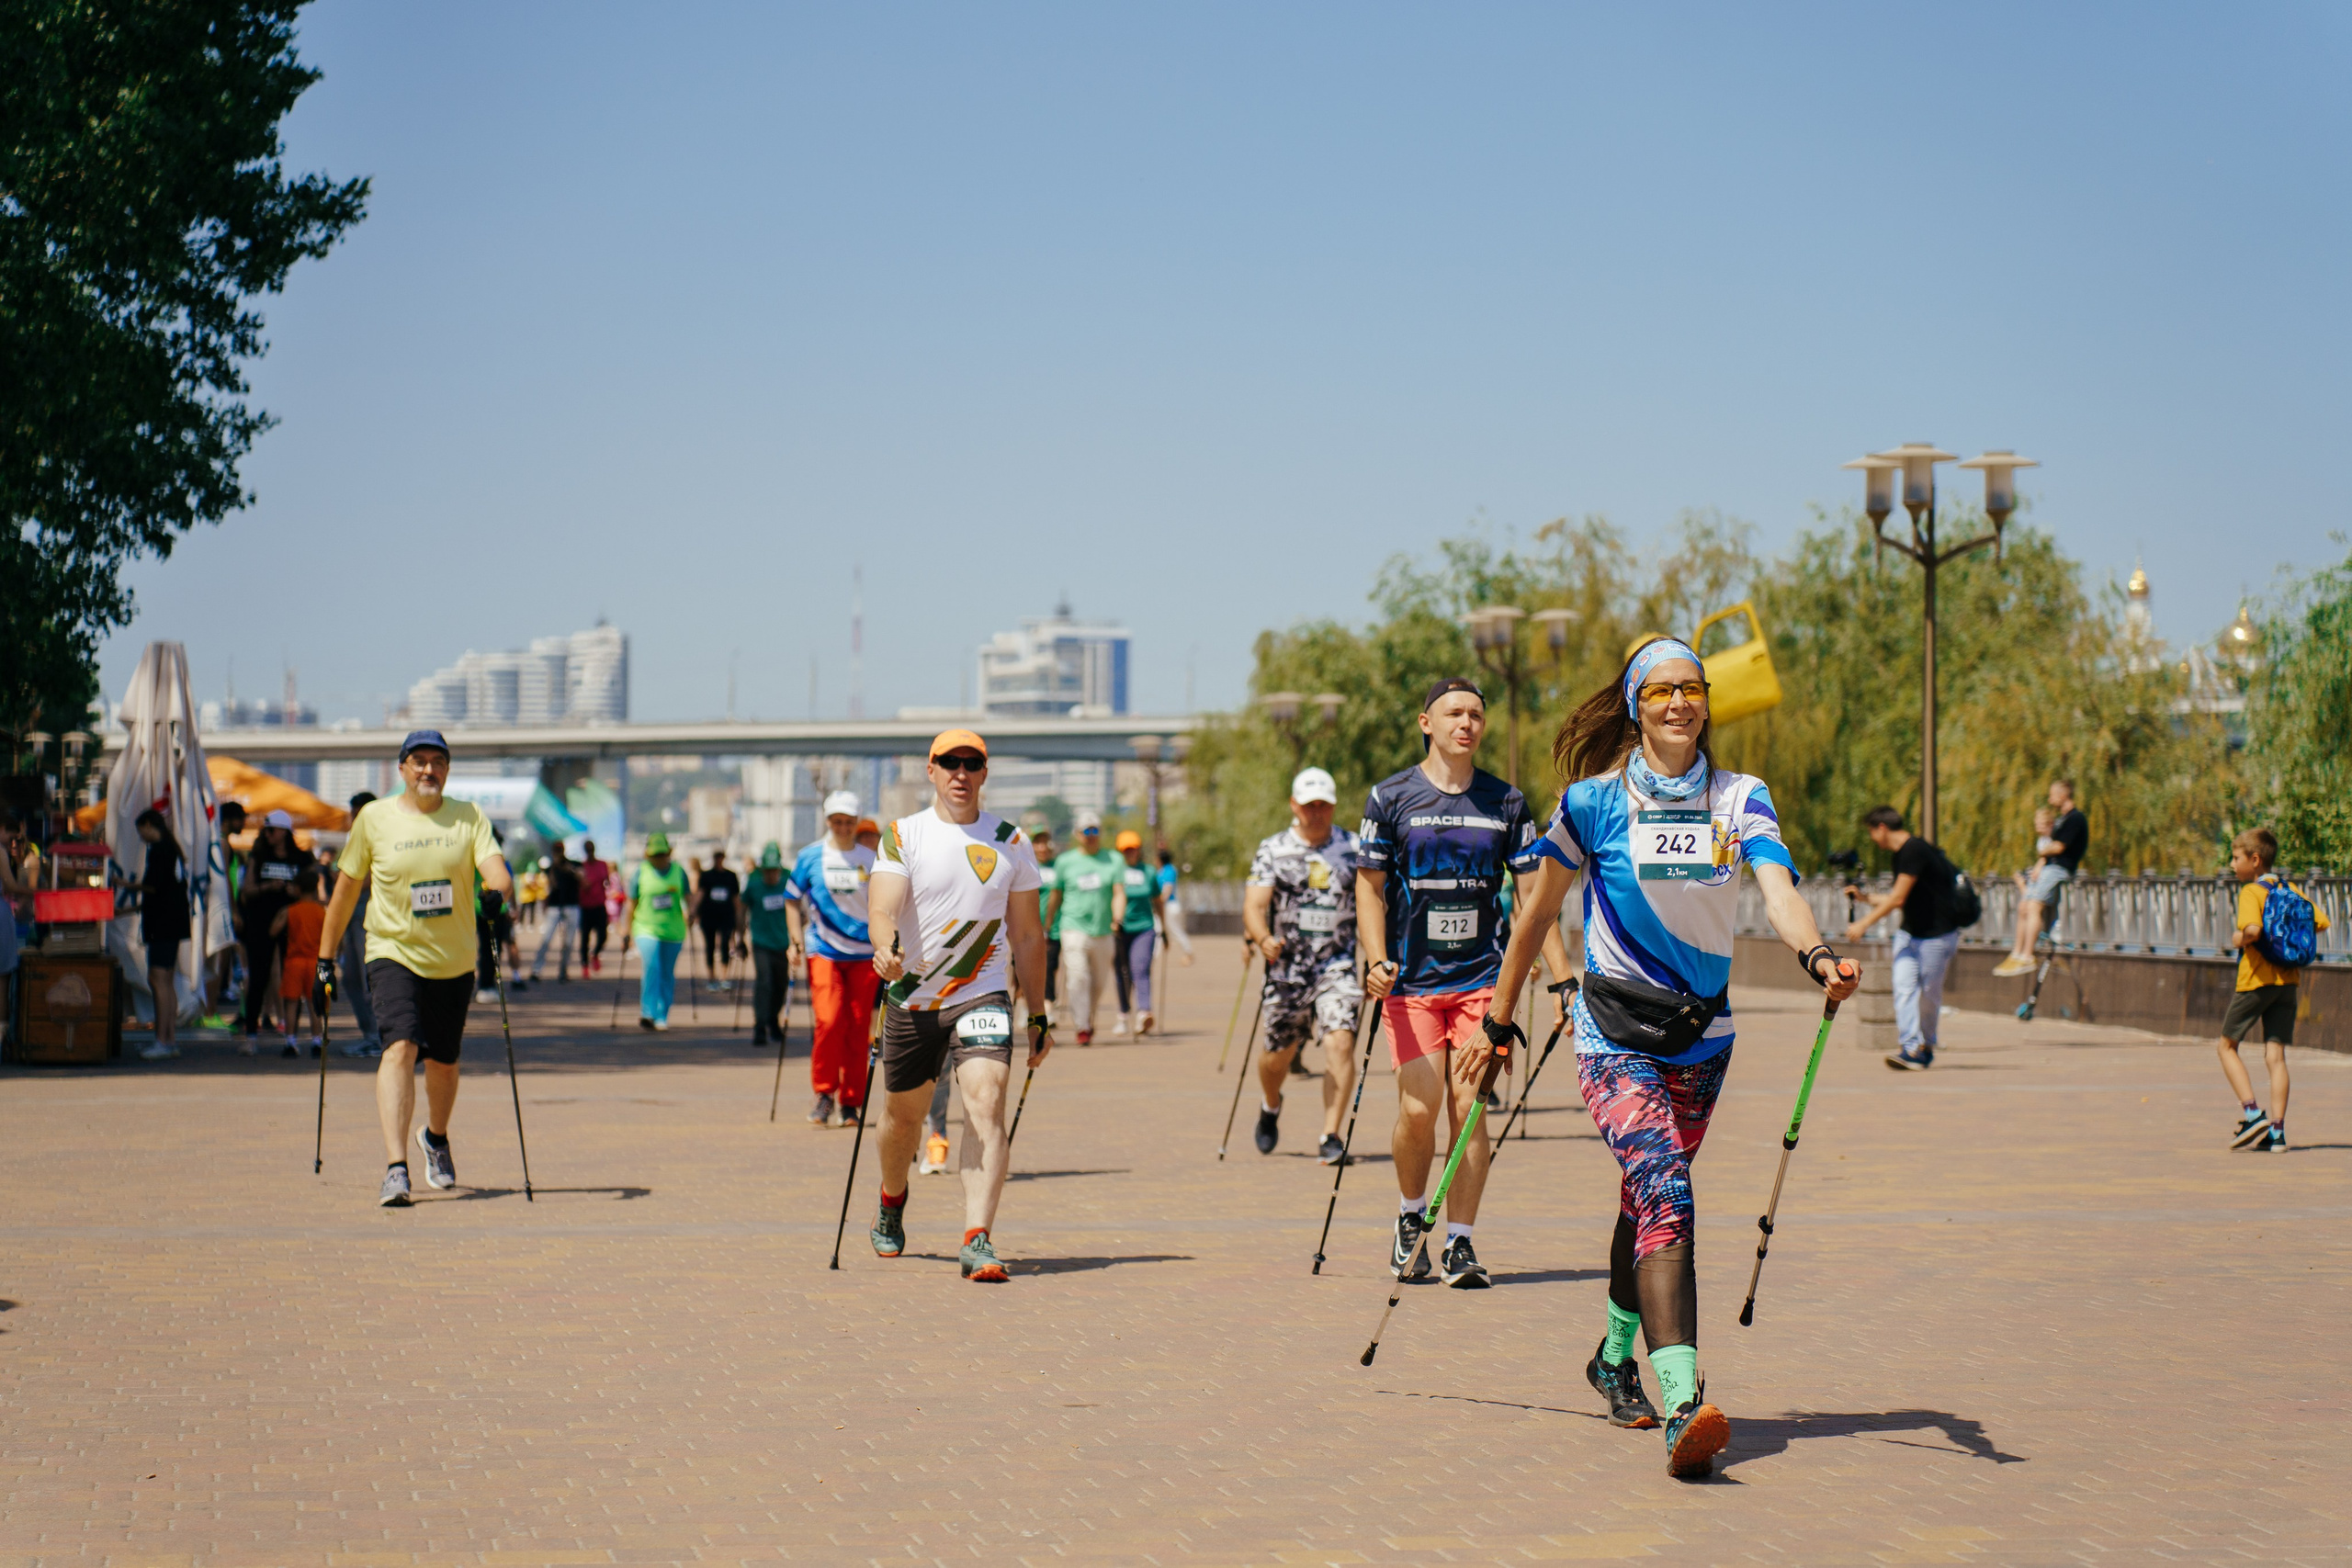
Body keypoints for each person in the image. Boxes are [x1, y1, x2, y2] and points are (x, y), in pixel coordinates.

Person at [1465, 637, 1859, 1478]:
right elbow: (1536, 917)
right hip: (1612, 1032)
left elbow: (1778, 889)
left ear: (1707, 700)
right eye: (1660, 691)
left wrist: (1818, 954)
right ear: (1635, 704)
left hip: (1702, 1040)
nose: (1679, 703)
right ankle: (1684, 1405)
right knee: (1667, 1189)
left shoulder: (1741, 797)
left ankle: (1612, 1359)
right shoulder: (1592, 803)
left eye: (1692, 688)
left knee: (1647, 1199)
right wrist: (1496, 1022)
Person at [1358, 678, 1575, 1292]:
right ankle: (1410, 1215)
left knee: (1469, 1108)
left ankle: (1459, 1241)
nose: (1467, 723)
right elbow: (1369, 888)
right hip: (1412, 982)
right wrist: (1375, 958)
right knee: (1418, 1109)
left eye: (1477, 714)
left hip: (1484, 981)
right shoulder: (1390, 797)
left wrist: (1563, 980)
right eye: (1454, 712)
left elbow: (1535, 899)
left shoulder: (1505, 801)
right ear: (1426, 722)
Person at [865, 729, 1052, 1282]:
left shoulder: (1010, 841)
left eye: (972, 763)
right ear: (931, 770)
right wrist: (885, 948)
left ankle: (978, 1238)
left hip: (981, 993)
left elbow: (1028, 935)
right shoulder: (904, 835)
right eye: (950, 763)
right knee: (903, 1119)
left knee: (986, 1101)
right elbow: (883, 909)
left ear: (985, 773)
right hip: (913, 997)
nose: (961, 773)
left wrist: (1037, 1014)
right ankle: (892, 1197)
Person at [318, 730, 513, 1208]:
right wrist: (325, 957)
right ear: (402, 768)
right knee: (399, 1048)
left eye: (438, 762)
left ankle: (436, 1137)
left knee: (444, 1062)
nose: (429, 769)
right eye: (419, 761)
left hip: (452, 960)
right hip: (392, 951)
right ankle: (396, 1167)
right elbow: (345, 891)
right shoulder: (374, 818)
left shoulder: (468, 817)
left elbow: (498, 872)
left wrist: (496, 893)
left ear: (447, 770)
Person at [1243, 767, 1363, 1164]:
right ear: (1294, 805)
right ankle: (1271, 1103)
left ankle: (1331, 1134)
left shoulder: (1354, 848)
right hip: (1288, 967)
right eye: (1310, 805)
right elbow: (1254, 905)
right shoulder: (1273, 849)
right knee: (1278, 1054)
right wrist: (1262, 938)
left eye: (1324, 805)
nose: (1317, 812)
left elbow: (1373, 901)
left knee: (1340, 1041)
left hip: (1337, 964)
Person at [2216, 828, 2330, 1153]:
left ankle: (2253, 1114)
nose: (2232, 864)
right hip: (2288, 982)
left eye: (2236, 858)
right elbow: (2321, 921)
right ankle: (2277, 1133)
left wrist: (2238, 938)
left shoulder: (2251, 892)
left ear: (2255, 860)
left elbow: (2252, 930)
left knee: (2226, 1046)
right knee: (2275, 1056)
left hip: (2256, 981)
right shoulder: (2291, 889)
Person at [1843, 806, 1962, 1070]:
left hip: (1937, 936)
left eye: (1872, 832)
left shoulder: (1914, 850)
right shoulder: (1902, 854)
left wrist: (1863, 924)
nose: (1873, 839)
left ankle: (1926, 1046)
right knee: (1903, 988)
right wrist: (1865, 898)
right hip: (1910, 934)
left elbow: (1897, 899)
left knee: (1928, 995)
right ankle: (1910, 1048)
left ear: (1882, 828)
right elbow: (1900, 897)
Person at [790, 791, 876, 1124]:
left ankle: (851, 1102)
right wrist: (794, 940)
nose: (843, 827)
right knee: (828, 1020)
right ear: (827, 821)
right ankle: (824, 1093)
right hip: (824, 950)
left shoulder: (870, 859)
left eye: (849, 822)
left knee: (858, 1026)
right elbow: (791, 898)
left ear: (857, 823)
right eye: (837, 821)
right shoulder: (810, 856)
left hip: (864, 953)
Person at [1994, 780, 2087, 976]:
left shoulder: (2075, 819)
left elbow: (2058, 847)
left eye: (2052, 795)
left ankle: (2027, 955)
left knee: (2034, 906)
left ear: (2063, 796)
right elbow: (2050, 849)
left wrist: (2044, 852)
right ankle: (2017, 953)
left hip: (2059, 869)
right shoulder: (2062, 820)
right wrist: (2041, 861)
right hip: (2049, 867)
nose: (2050, 799)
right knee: (2024, 906)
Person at [1047, 816, 1121, 1044]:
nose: (1091, 836)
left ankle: (1089, 1017)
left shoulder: (1114, 859)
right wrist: (1048, 922)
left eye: (1095, 831)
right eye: (1086, 831)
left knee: (1098, 984)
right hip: (1073, 928)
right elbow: (1056, 894)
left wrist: (1117, 918)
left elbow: (1119, 892)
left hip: (1103, 931)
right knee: (1078, 977)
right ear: (1077, 835)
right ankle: (1082, 1025)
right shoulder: (1065, 862)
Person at [237, 809, 308, 1048]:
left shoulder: (301, 858)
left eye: (271, 830)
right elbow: (246, 891)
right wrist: (267, 887)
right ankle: (251, 1034)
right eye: (265, 830)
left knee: (292, 978)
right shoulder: (258, 856)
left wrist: (293, 891)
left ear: (284, 832)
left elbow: (310, 891)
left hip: (292, 924)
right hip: (260, 923)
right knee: (258, 977)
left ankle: (291, 1036)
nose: (267, 834)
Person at [133, 808, 191, 1061]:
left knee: (158, 980)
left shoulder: (159, 850)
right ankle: (169, 1039)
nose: (141, 836)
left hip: (161, 924)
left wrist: (126, 885)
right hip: (173, 923)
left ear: (148, 825)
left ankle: (163, 1040)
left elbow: (153, 887)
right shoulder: (172, 848)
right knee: (165, 980)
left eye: (141, 830)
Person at [334, 793, 382, 1055]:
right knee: (351, 979)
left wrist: (347, 885)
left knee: (368, 979)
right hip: (351, 915)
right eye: (353, 814)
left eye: (357, 813)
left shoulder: (380, 836)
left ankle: (381, 1038)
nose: (354, 819)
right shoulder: (354, 838)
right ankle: (370, 1035)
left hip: (369, 917)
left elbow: (370, 876)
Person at [627, 832, 689, 1032]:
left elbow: (689, 897)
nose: (659, 859)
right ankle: (648, 1012)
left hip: (673, 931)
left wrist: (693, 911)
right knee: (652, 967)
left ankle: (662, 1015)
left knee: (667, 973)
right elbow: (631, 903)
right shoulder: (640, 872)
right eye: (655, 855)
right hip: (646, 928)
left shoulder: (679, 872)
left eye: (662, 855)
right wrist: (627, 931)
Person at [1111, 829, 1167, 1035]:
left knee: (1140, 968)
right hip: (1119, 930)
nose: (1130, 853)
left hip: (1144, 928)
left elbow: (1157, 901)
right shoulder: (1114, 872)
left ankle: (1144, 1012)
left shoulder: (1149, 872)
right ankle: (1123, 1014)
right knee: (1121, 973)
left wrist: (1164, 927)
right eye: (1126, 850)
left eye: (1133, 849)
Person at [743, 841, 797, 1047]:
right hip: (761, 942)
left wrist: (798, 933)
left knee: (781, 984)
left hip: (782, 943)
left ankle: (773, 1020)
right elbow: (742, 906)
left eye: (775, 870)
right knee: (764, 982)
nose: (771, 875)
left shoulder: (788, 881)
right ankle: (759, 1026)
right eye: (767, 870)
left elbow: (797, 906)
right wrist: (738, 936)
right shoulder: (754, 883)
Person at [273, 866, 329, 1055]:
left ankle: (290, 1042)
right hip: (315, 962)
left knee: (291, 1003)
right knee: (315, 1005)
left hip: (294, 962)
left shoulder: (290, 910)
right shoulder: (321, 911)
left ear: (297, 888)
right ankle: (316, 1041)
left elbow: (273, 930)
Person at [529, 841, 581, 983]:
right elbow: (550, 884)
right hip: (555, 906)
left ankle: (563, 971)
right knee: (546, 939)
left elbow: (582, 878)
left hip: (571, 905)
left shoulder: (574, 864)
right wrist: (555, 867)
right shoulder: (551, 868)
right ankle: (536, 970)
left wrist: (569, 869)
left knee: (568, 942)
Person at [695, 849, 741, 987]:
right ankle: (711, 977)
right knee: (709, 946)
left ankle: (724, 976)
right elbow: (700, 894)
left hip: (726, 916)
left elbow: (735, 897)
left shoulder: (731, 876)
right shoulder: (706, 876)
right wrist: (694, 911)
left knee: (725, 945)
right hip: (708, 916)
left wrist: (739, 915)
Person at [1033, 828, 1062, 1024]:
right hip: (1030, 927)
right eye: (1038, 843)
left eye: (1045, 842)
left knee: (1050, 966)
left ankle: (1047, 1004)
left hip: (1055, 928)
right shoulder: (1027, 866)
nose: (1042, 847)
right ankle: (1033, 1004)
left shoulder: (1059, 867)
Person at [577, 839, 613, 976]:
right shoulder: (581, 866)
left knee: (603, 935)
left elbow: (607, 881)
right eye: (588, 850)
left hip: (599, 905)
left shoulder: (602, 864)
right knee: (585, 938)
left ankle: (595, 953)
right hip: (585, 907)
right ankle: (585, 965)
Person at [1157, 848, 1196, 965]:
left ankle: (1188, 952)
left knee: (1174, 930)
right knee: (1159, 929)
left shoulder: (1168, 871)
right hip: (1167, 905)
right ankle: (1154, 954)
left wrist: (1160, 903)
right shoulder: (1163, 871)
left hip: (1169, 905)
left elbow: (1167, 889)